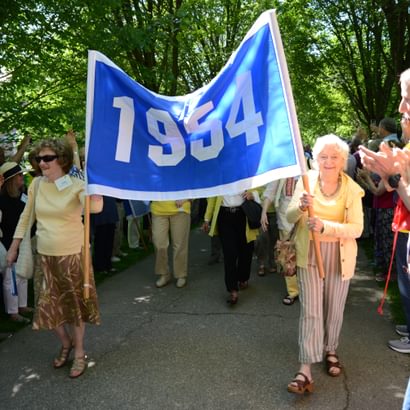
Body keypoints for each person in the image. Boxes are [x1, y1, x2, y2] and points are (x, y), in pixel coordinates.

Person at [6, 138, 103, 378]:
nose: (42, 163)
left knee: (74, 308)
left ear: (62, 159)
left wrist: (96, 192)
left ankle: (79, 352)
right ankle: (66, 342)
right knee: (48, 307)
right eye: (39, 158)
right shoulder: (37, 184)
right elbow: (26, 216)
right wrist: (14, 246)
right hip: (45, 257)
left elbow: (94, 209)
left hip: (72, 256)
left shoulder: (76, 185)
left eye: (48, 158)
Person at [286, 134, 364, 394]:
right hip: (309, 251)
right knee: (311, 309)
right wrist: (300, 206)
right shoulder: (306, 181)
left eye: (334, 157)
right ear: (315, 159)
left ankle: (330, 349)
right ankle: (305, 368)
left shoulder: (352, 188)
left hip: (340, 255)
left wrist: (325, 227)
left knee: (334, 306)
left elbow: (357, 228)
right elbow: (289, 216)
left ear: (343, 160)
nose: (328, 161)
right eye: (323, 157)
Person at [359, 68, 410, 354]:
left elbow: (386, 190)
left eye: (406, 100)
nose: (401, 108)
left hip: (402, 222)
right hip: (401, 222)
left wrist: (390, 177)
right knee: (403, 277)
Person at [203, 191, 259, 305]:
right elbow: (212, 197)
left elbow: (260, 189)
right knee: (229, 254)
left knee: (246, 251)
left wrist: (253, 195)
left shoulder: (247, 178)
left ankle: (243, 278)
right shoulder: (220, 179)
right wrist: (207, 219)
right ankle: (232, 289)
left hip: (244, 214)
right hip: (225, 216)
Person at [0, 162, 32, 323]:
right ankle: (13, 312)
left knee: (22, 274)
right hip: (8, 242)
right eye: (19, 175)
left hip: (23, 241)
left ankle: (22, 305)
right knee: (10, 278)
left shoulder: (23, 195)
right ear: (11, 179)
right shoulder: (2, 200)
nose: (22, 178)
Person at [261, 177, 299, 305]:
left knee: (307, 256)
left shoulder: (309, 166)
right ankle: (293, 291)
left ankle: (308, 287)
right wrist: (264, 212)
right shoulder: (282, 169)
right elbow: (270, 191)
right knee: (288, 256)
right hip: (285, 218)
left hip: (306, 219)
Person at [151, 199, 191, 288]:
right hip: (158, 209)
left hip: (180, 209)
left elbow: (194, 189)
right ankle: (164, 273)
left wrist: (185, 199)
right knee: (159, 243)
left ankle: (181, 274)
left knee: (180, 244)